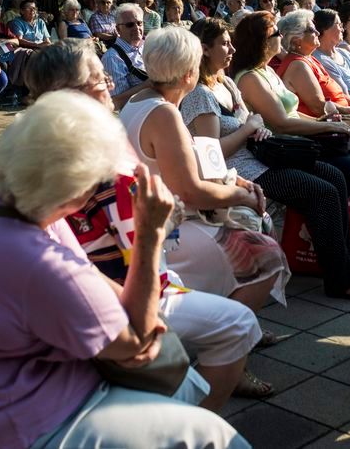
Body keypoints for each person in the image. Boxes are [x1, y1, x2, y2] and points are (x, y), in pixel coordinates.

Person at [0, 90, 249, 448]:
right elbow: (137, 345)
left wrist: (129, 317)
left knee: (184, 390)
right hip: (1, 428)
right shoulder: (34, 259)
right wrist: (149, 236)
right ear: (79, 196)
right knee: (216, 437)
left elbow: (96, 288)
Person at [22, 42, 272, 408]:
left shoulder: (59, 140)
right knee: (239, 323)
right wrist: (162, 225)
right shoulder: (86, 158)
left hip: (114, 276)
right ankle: (190, 420)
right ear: (72, 93)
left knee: (241, 263)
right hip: (115, 297)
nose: (110, 81)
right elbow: (127, 256)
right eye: (99, 77)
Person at [119, 27, 293, 312]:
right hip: (166, 231)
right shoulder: (163, 114)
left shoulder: (141, 102)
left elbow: (182, 167)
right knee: (267, 256)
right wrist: (243, 197)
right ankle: (231, 333)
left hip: (157, 217)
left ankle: (231, 322)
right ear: (189, 74)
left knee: (254, 226)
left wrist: (232, 179)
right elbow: (190, 192)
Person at [231, 12, 350, 299]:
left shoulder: (267, 71)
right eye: (275, 34)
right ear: (262, 42)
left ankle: (340, 263)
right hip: (267, 157)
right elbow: (281, 122)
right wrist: (328, 125)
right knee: (326, 189)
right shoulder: (249, 78)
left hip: (283, 147)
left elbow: (290, 111)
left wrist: (328, 124)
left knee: (338, 176)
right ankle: (339, 274)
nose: (280, 39)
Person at [276, 10, 350, 230]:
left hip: (335, 118)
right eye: (311, 29)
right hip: (318, 126)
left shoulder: (309, 60)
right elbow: (319, 107)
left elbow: (337, 94)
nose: (316, 31)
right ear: (297, 40)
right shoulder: (298, 64)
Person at [102, 3, 152, 109]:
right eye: (130, 25)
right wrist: (148, 85)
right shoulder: (112, 58)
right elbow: (115, 102)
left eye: (139, 23)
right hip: (139, 115)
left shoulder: (149, 44)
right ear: (118, 29)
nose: (136, 28)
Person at [7, 0, 51, 87]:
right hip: (25, 49)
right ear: (22, 11)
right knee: (34, 57)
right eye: (29, 8)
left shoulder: (40, 22)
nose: (32, 11)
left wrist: (45, 46)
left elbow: (47, 41)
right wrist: (36, 45)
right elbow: (19, 40)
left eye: (34, 8)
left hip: (40, 49)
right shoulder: (17, 22)